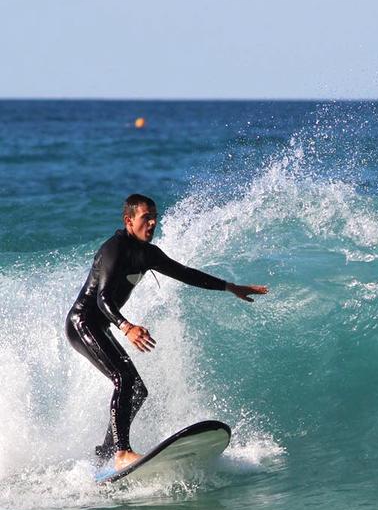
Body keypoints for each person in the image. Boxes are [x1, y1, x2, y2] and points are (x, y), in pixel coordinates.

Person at [65, 194, 268, 471]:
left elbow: (186, 274)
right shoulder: (115, 250)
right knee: (124, 378)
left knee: (137, 390)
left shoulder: (148, 254)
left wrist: (229, 287)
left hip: (99, 326)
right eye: (145, 218)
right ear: (129, 221)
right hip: (82, 324)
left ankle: (107, 453)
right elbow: (102, 299)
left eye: (155, 217)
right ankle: (122, 451)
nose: (152, 223)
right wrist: (127, 327)